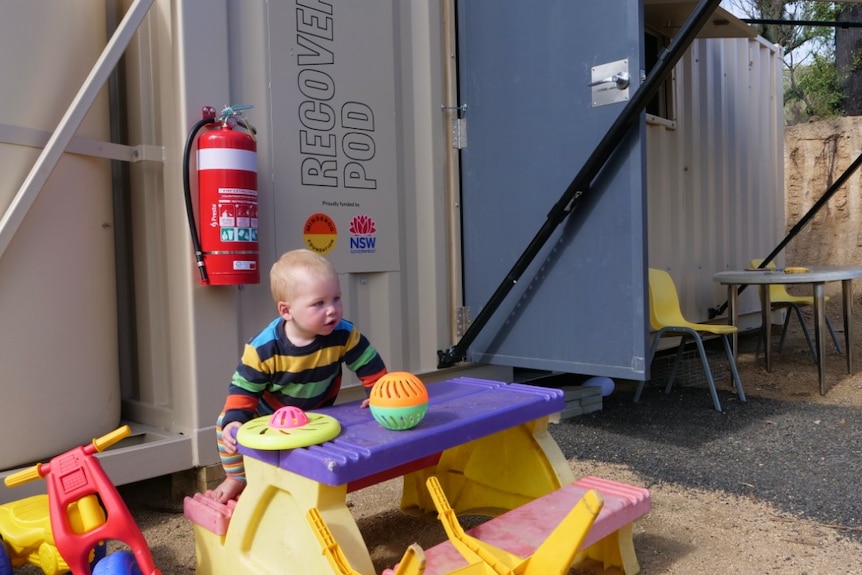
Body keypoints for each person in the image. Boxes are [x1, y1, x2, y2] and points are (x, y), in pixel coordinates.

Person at [210, 249, 387, 503]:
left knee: (340, 432)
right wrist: (235, 420)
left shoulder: (343, 333)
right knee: (223, 424)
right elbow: (243, 388)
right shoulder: (264, 348)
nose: (332, 310)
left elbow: (369, 364)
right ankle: (236, 477)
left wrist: (379, 393)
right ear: (286, 310)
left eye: (336, 299)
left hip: (317, 414)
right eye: (319, 303)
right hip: (267, 416)